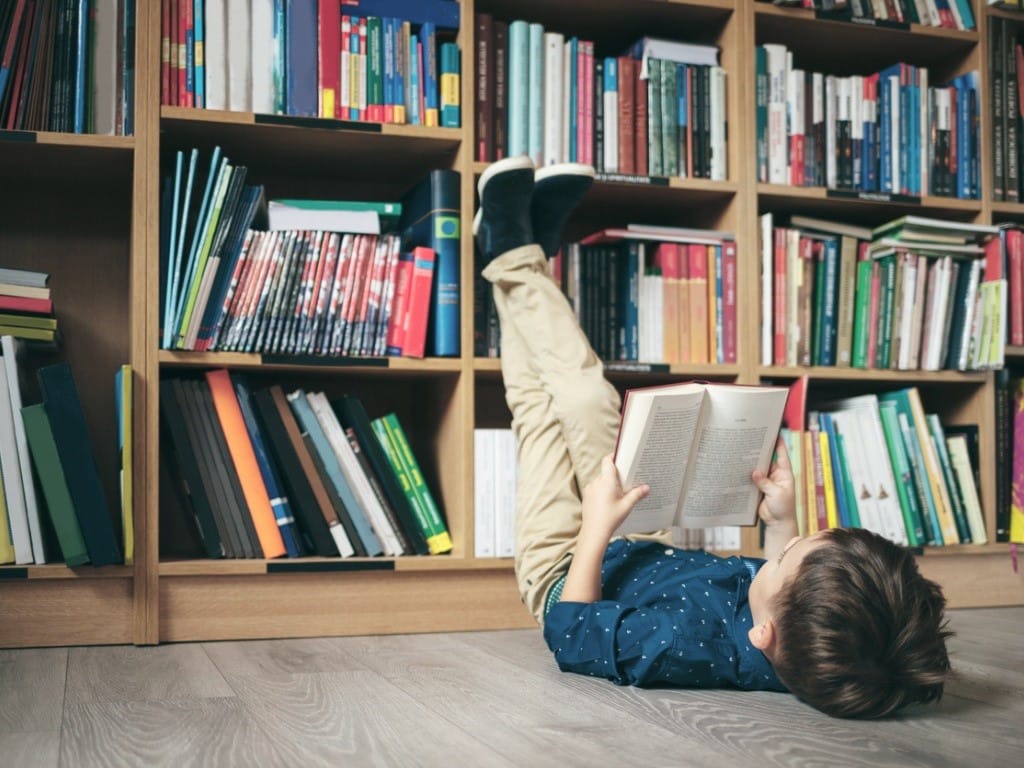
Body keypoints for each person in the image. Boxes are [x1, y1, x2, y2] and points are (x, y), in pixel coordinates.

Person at [474, 155, 953, 719]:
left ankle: (514, 253)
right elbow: (786, 586)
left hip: (562, 564)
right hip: (636, 533)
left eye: (783, 557)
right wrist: (782, 525)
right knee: (580, 396)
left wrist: (595, 528)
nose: (779, 554)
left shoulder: (679, 648)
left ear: (763, 635)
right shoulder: (806, 635)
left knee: (543, 409)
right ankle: (515, 254)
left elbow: (572, 635)